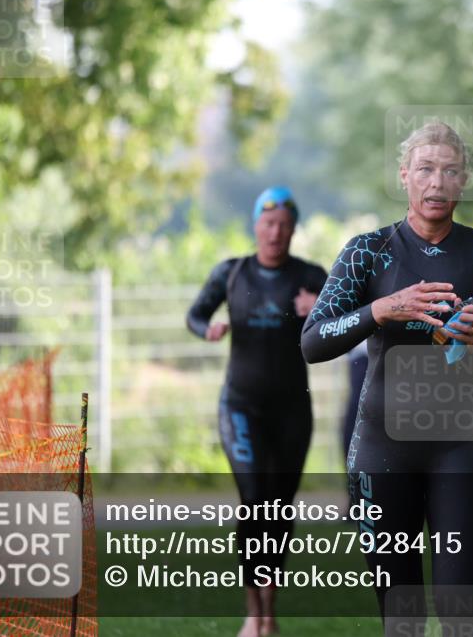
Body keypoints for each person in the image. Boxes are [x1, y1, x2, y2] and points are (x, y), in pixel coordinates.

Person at [300, 122, 473, 632]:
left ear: (463, 181)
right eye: (426, 169)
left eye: (450, 171)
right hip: (382, 447)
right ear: (405, 175)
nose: (437, 182)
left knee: (461, 615)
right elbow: (313, 341)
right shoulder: (368, 251)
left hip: (461, 448)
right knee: (401, 616)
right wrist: (382, 310)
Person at [186, 186, 327, 637]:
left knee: (280, 508)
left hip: (291, 410)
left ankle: (271, 608)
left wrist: (319, 309)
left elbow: (349, 321)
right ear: (255, 226)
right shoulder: (232, 273)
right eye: (268, 223)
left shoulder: (310, 276)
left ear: (293, 230)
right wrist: (208, 328)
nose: (275, 232)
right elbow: (194, 314)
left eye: (284, 225)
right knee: (254, 501)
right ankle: (253, 612)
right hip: (240, 408)